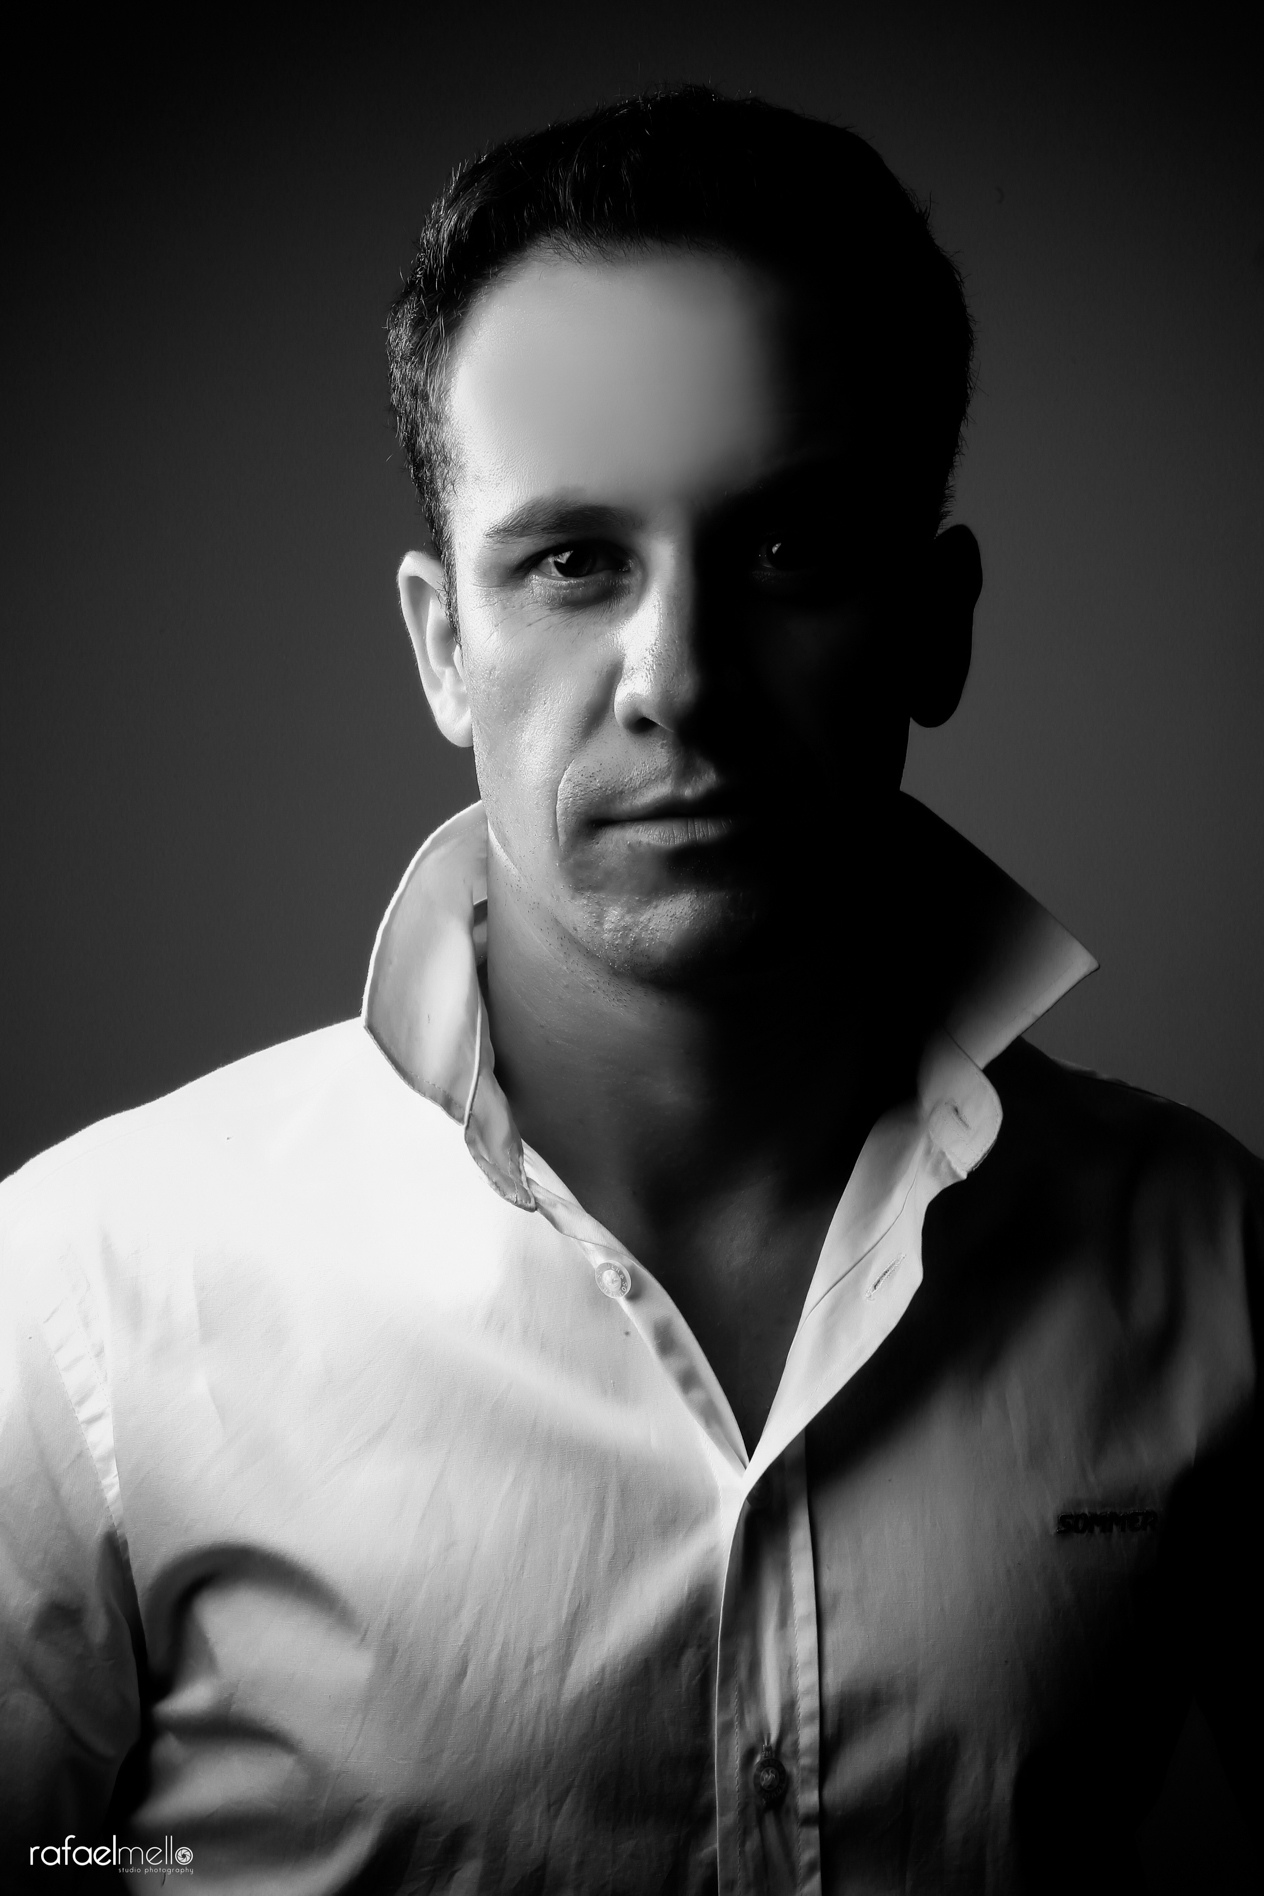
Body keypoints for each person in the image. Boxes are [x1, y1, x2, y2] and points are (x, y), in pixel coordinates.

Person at [0, 85, 1257, 1896]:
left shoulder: (1212, 1265)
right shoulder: (83, 1298)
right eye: (575, 561)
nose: (678, 677)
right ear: (446, 643)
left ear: (936, 625)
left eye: (788, 551)